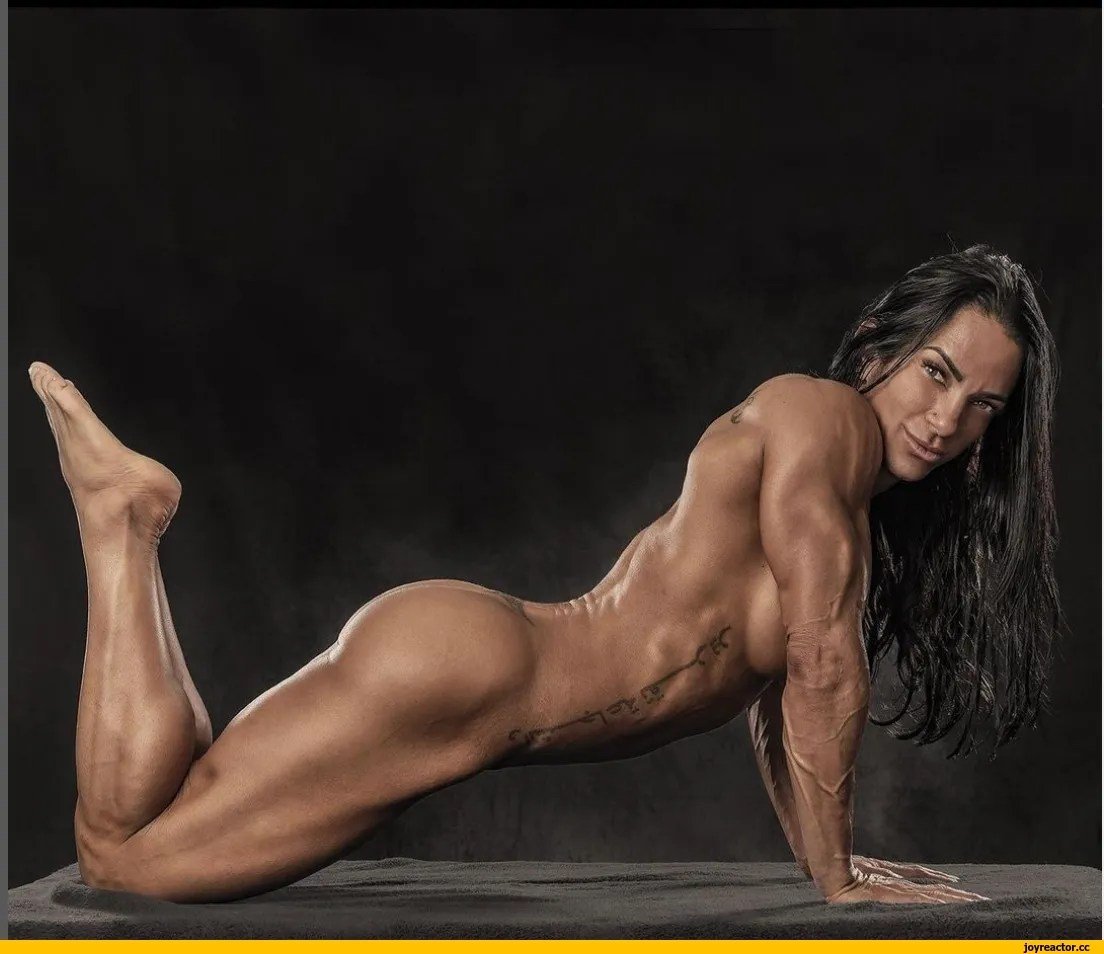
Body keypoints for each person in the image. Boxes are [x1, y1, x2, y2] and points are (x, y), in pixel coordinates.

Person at [28, 243, 1059, 906]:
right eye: (937, 372)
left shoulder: (841, 495)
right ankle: (122, 531)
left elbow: (776, 699)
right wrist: (838, 885)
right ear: (877, 349)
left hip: (462, 675)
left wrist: (825, 861)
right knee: (123, 865)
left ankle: (127, 526)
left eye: (983, 405)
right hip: (463, 679)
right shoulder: (821, 418)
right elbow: (822, 657)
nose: (947, 418)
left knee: (146, 828)